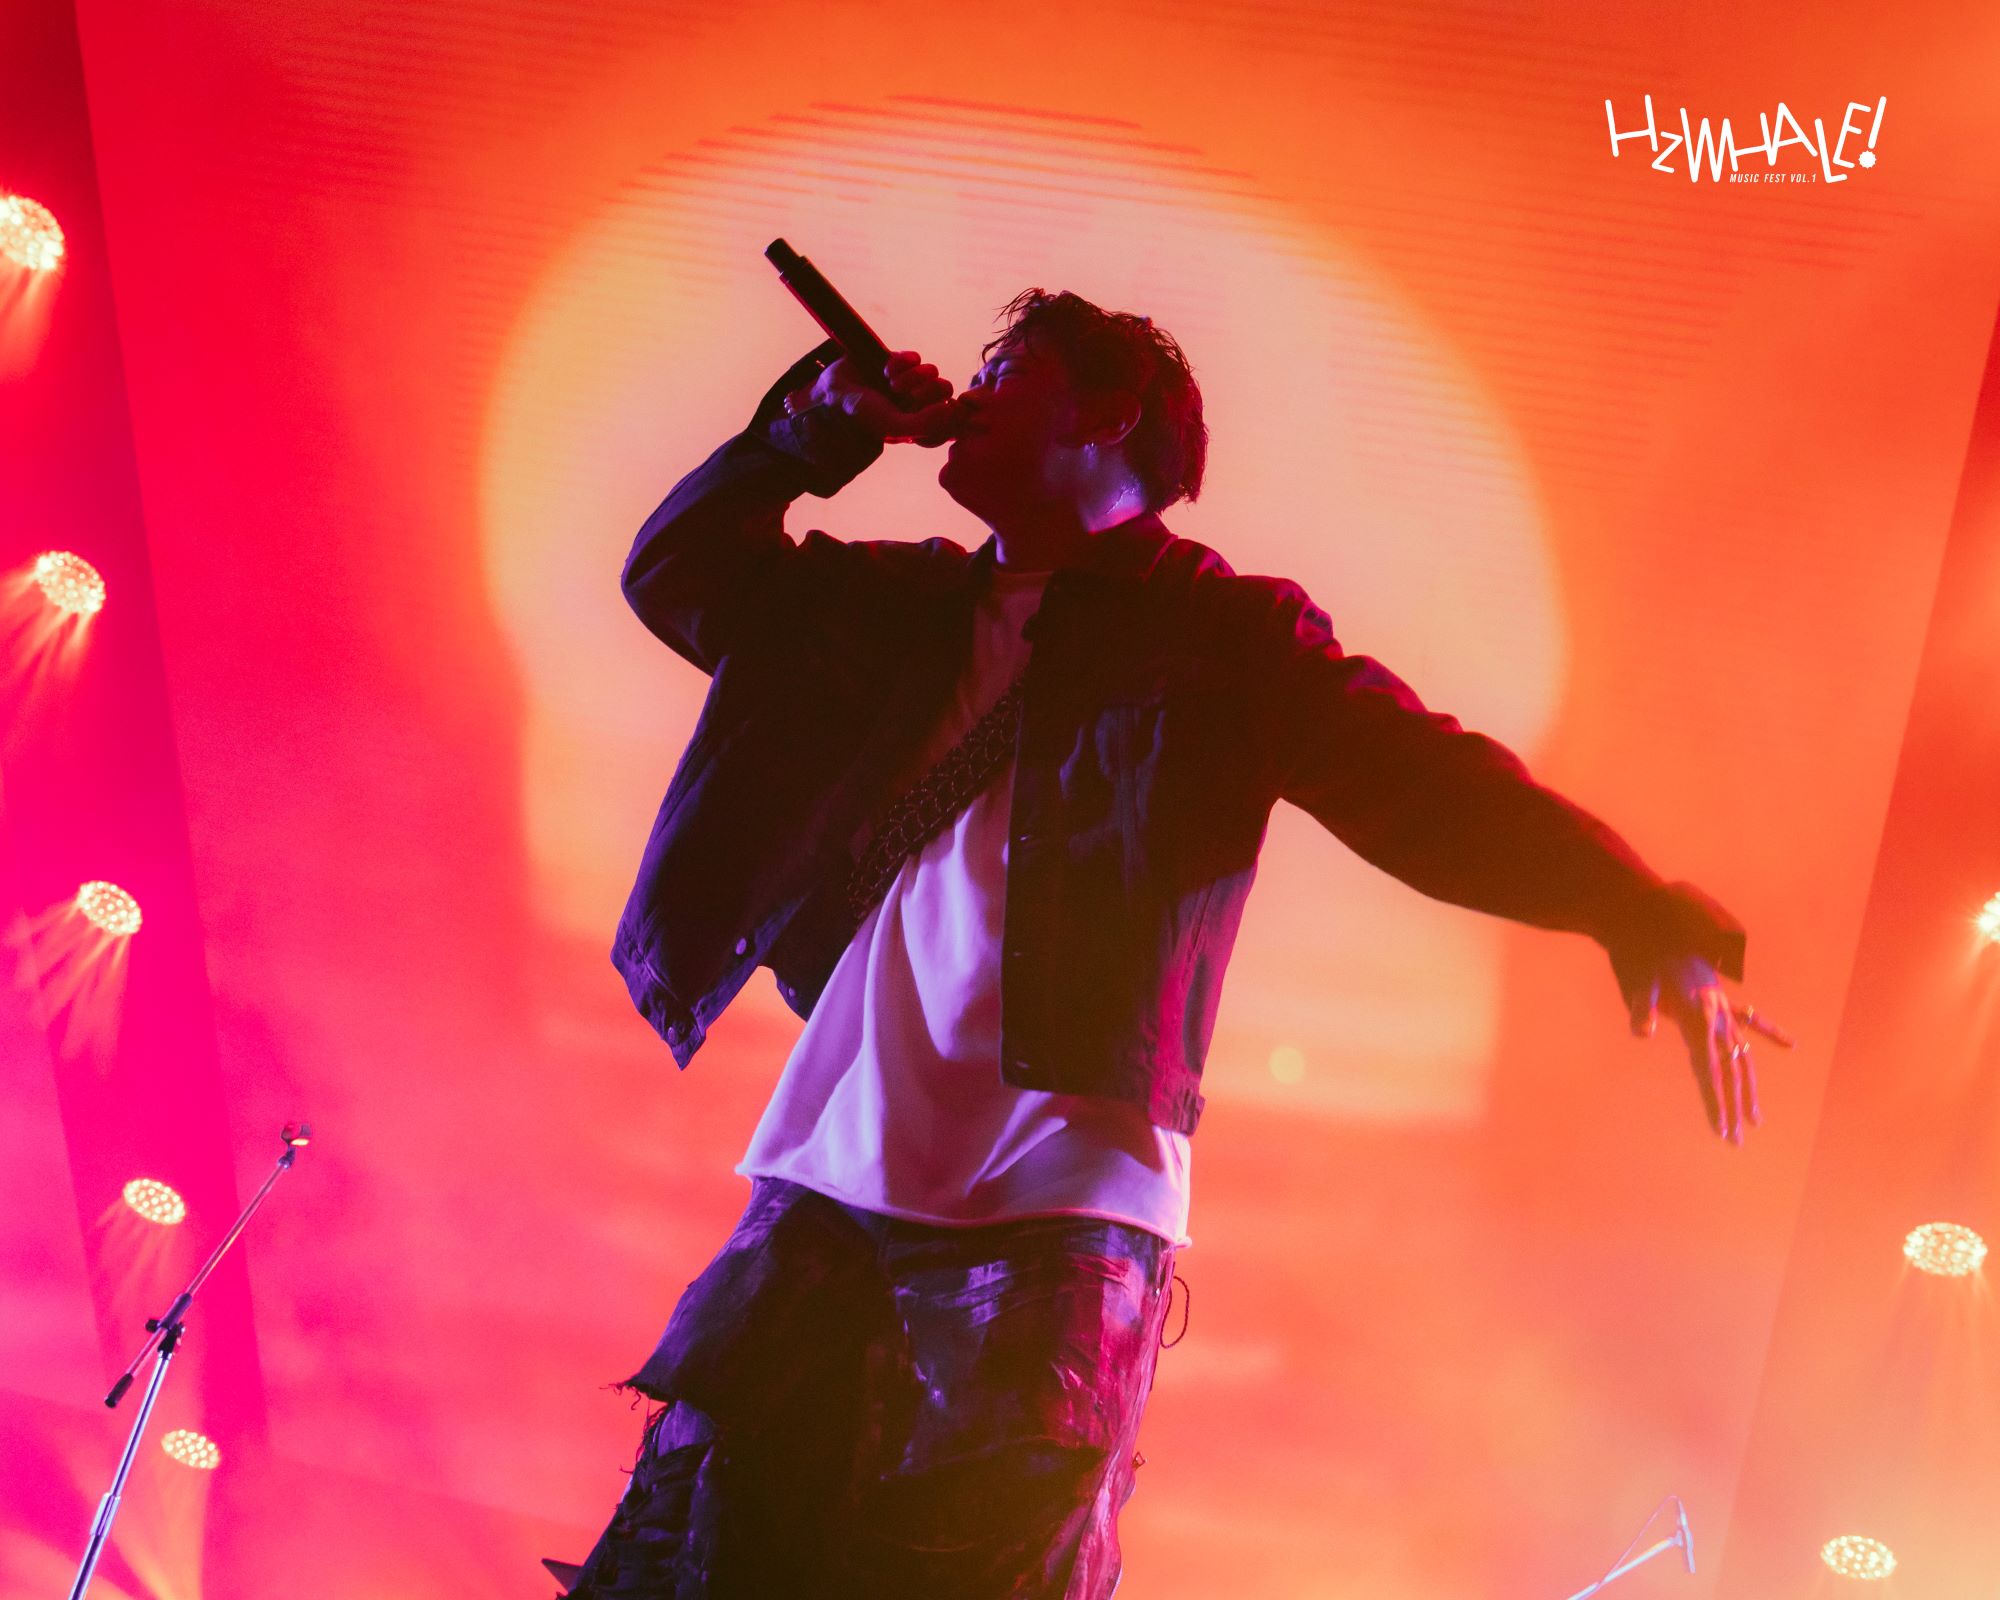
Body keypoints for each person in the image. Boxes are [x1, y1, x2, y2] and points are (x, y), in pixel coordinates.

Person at [559, 289, 1787, 1599]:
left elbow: (1427, 785)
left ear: (1106, 417)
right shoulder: (890, 602)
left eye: (1008, 369)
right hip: (830, 1167)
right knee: (701, 1560)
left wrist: (1643, 913)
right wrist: (818, 430)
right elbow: (679, 574)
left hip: (1055, 1202)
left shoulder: (1223, 635)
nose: (971, 391)